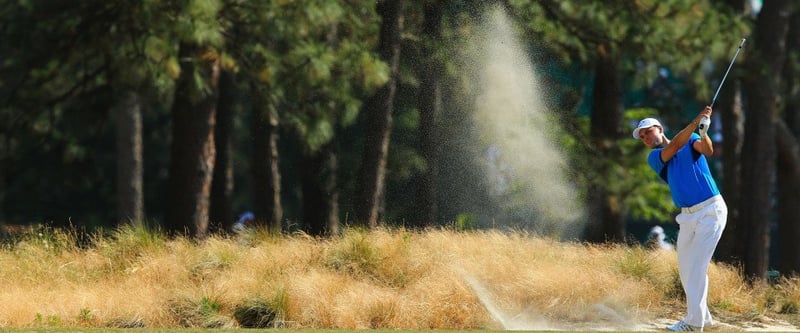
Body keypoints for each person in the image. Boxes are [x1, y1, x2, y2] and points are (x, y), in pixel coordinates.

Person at [632, 106, 727, 332]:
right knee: (686, 270)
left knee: (697, 267)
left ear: (659, 128)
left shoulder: (691, 138)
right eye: (642, 136)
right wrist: (697, 120)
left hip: (710, 211)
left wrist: (703, 132)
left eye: (647, 131)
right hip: (687, 217)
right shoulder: (654, 157)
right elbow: (674, 146)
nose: (645, 137)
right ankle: (704, 317)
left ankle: (694, 323)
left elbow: (708, 150)